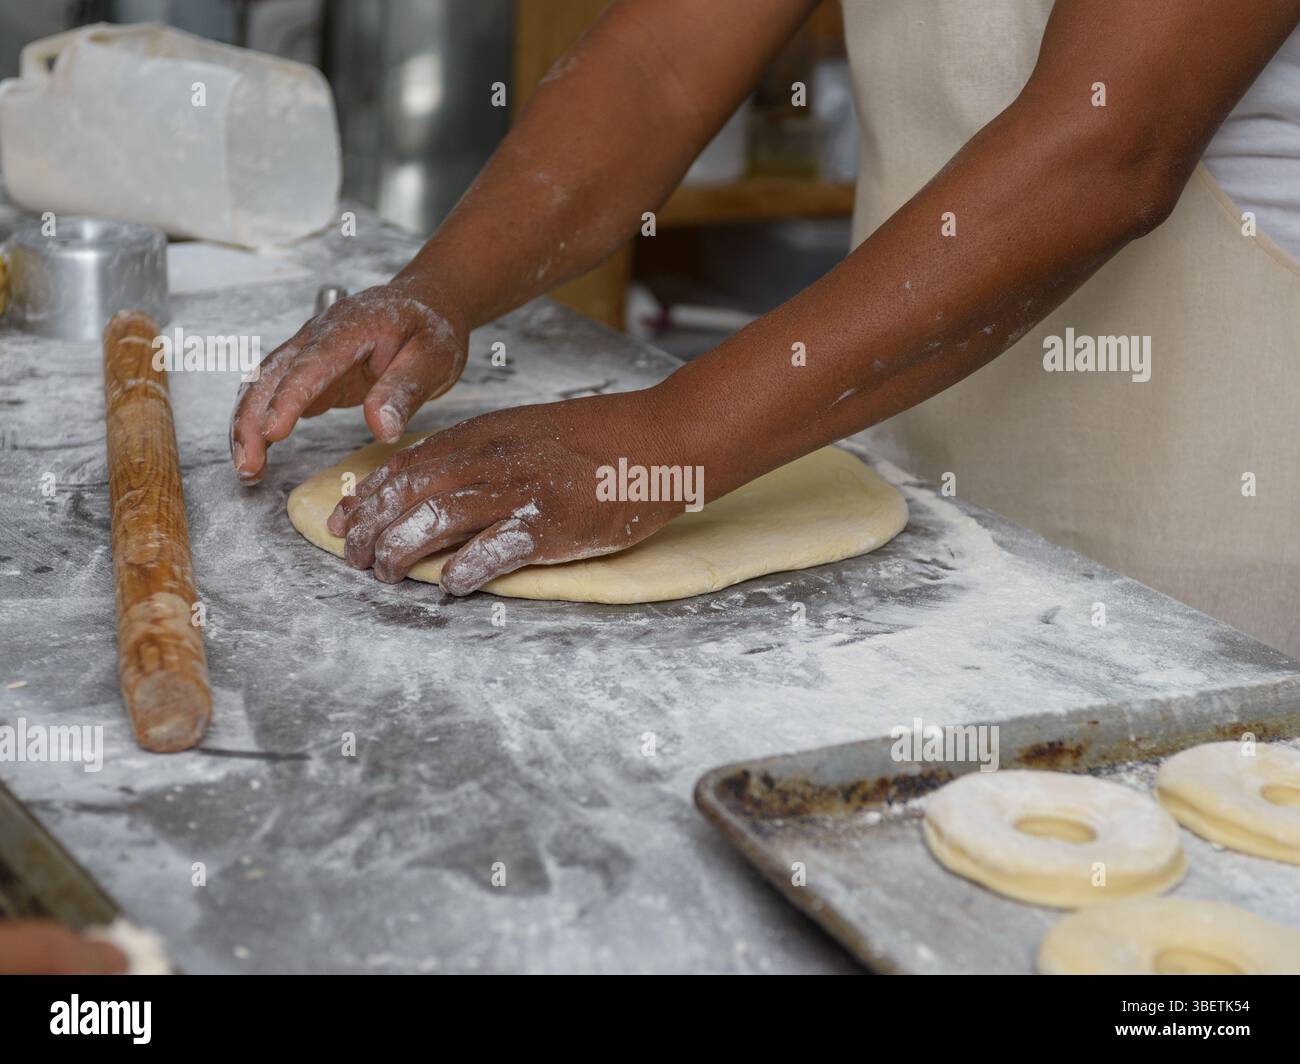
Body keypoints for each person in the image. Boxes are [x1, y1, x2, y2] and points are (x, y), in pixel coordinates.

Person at [230, 0, 1300, 655]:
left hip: (1202, 529)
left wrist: (662, 442)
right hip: (920, 464)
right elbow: (663, 62)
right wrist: (443, 288)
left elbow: (1106, 148)